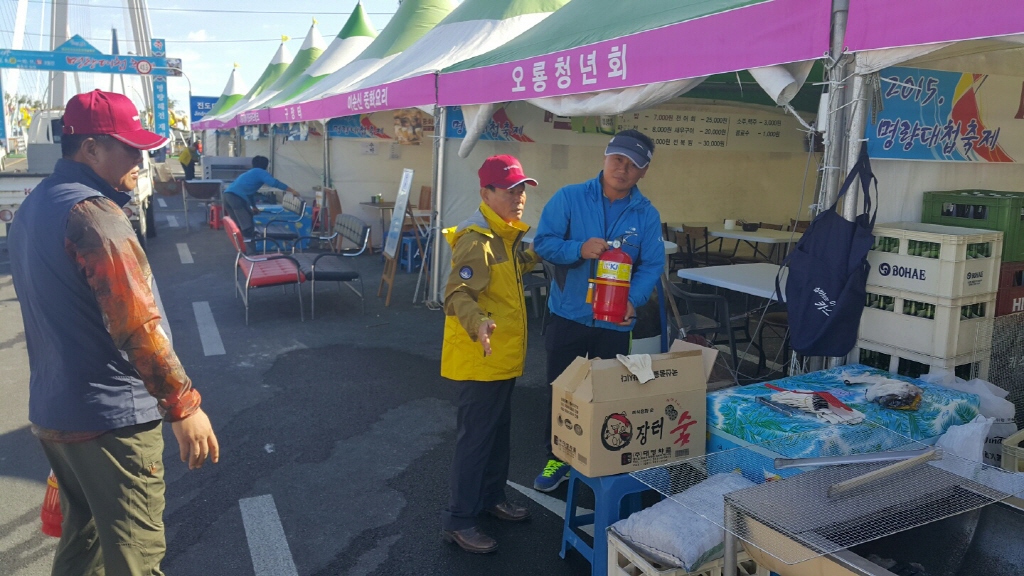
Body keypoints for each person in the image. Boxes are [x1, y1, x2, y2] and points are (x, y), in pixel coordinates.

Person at [8, 89, 219, 575]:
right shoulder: (96, 216)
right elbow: (138, 325)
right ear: (90, 148)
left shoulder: (34, 206)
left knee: (82, 547)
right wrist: (183, 405)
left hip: (57, 412)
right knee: (134, 558)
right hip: (113, 422)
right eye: (131, 147)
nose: (141, 159)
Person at [532, 130, 665, 491]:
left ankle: (605, 456)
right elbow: (543, 243)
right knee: (563, 390)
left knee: (609, 394)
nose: (622, 169)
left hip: (616, 324)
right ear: (605, 157)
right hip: (569, 314)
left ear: (644, 171)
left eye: (633, 164)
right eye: (617, 159)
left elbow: (652, 264)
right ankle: (556, 457)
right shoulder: (570, 198)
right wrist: (578, 249)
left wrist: (632, 302)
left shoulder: (646, 214)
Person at [440, 155, 540, 554]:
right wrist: (478, 322)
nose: (518, 197)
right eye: (509, 189)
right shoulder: (476, 240)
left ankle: (492, 498)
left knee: (497, 436)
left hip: (499, 359)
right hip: (480, 358)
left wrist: (541, 254)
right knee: (476, 441)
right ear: (485, 192)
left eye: (521, 190)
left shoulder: (505, 238)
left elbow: (514, 270)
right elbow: (457, 293)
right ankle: (459, 520)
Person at [222, 155, 300, 238]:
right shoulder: (260, 172)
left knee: (238, 226)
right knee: (247, 226)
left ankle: (241, 248)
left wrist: (254, 206)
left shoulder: (249, 173)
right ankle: (250, 250)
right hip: (236, 198)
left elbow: (250, 194)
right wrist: (292, 191)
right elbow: (274, 183)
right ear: (265, 165)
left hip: (227, 196)